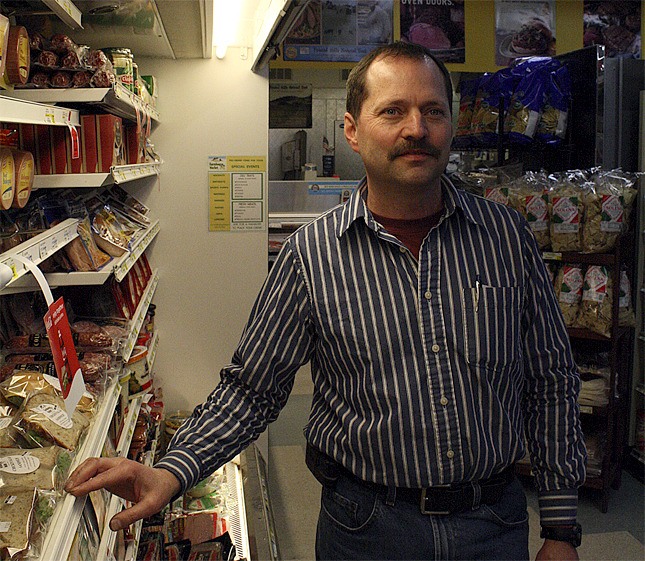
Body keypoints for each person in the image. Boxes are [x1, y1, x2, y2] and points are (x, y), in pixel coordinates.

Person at [65, 42, 586, 560]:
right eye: (393, 111)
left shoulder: (505, 238)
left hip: (493, 524)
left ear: (451, 125)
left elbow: (551, 380)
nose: (416, 129)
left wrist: (561, 528)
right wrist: (173, 469)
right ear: (353, 131)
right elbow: (252, 390)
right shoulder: (311, 256)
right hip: (367, 530)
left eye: (433, 111)